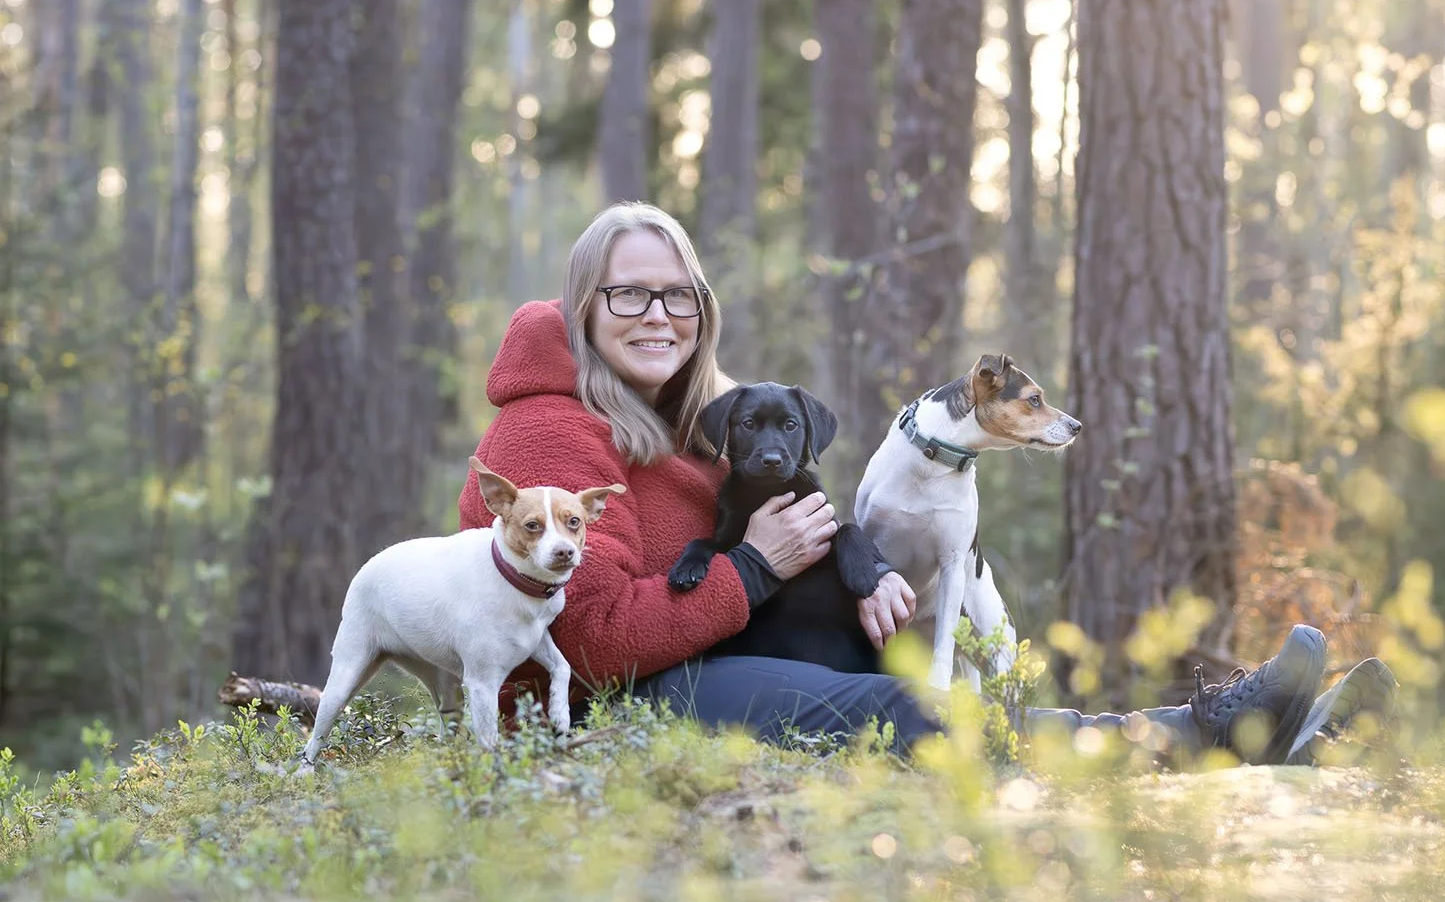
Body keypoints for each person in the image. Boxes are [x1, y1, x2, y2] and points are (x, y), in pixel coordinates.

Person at [458, 202, 1396, 765]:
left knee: (931, 684)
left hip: (706, 663)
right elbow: (585, 640)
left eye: (679, 296)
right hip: (602, 702)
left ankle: (1226, 733)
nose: (658, 316)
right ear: (586, 309)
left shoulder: (694, 424)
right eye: (629, 294)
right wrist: (751, 568)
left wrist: (865, 591)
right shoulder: (549, 428)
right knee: (907, 714)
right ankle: (1209, 740)